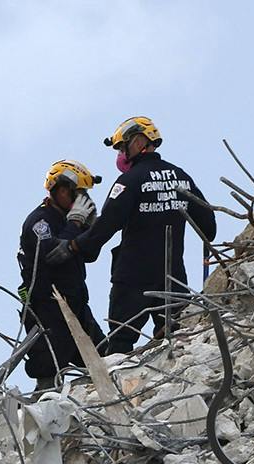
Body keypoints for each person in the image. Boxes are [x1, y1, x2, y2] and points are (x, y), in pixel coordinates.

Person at [54, 116, 216, 353]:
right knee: (177, 339)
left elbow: (107, 224)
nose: (120, 154)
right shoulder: (181, 176)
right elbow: (208, 226)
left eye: (122, 147)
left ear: (140, 141)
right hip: (173, 278)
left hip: (133, 279)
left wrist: (75, 246)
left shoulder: (129, 181)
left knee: (119, 345)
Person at [18, 160, 106, 391]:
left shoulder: (68, 219)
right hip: (48, 310)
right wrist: (75, 223)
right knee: (49, 372)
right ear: (62, 190)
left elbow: (90, 255)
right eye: (79, 193)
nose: (82, 199)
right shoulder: (40, 221)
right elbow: (52, 255)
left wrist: (90, 227)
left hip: (76, 306)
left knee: (104, 357)